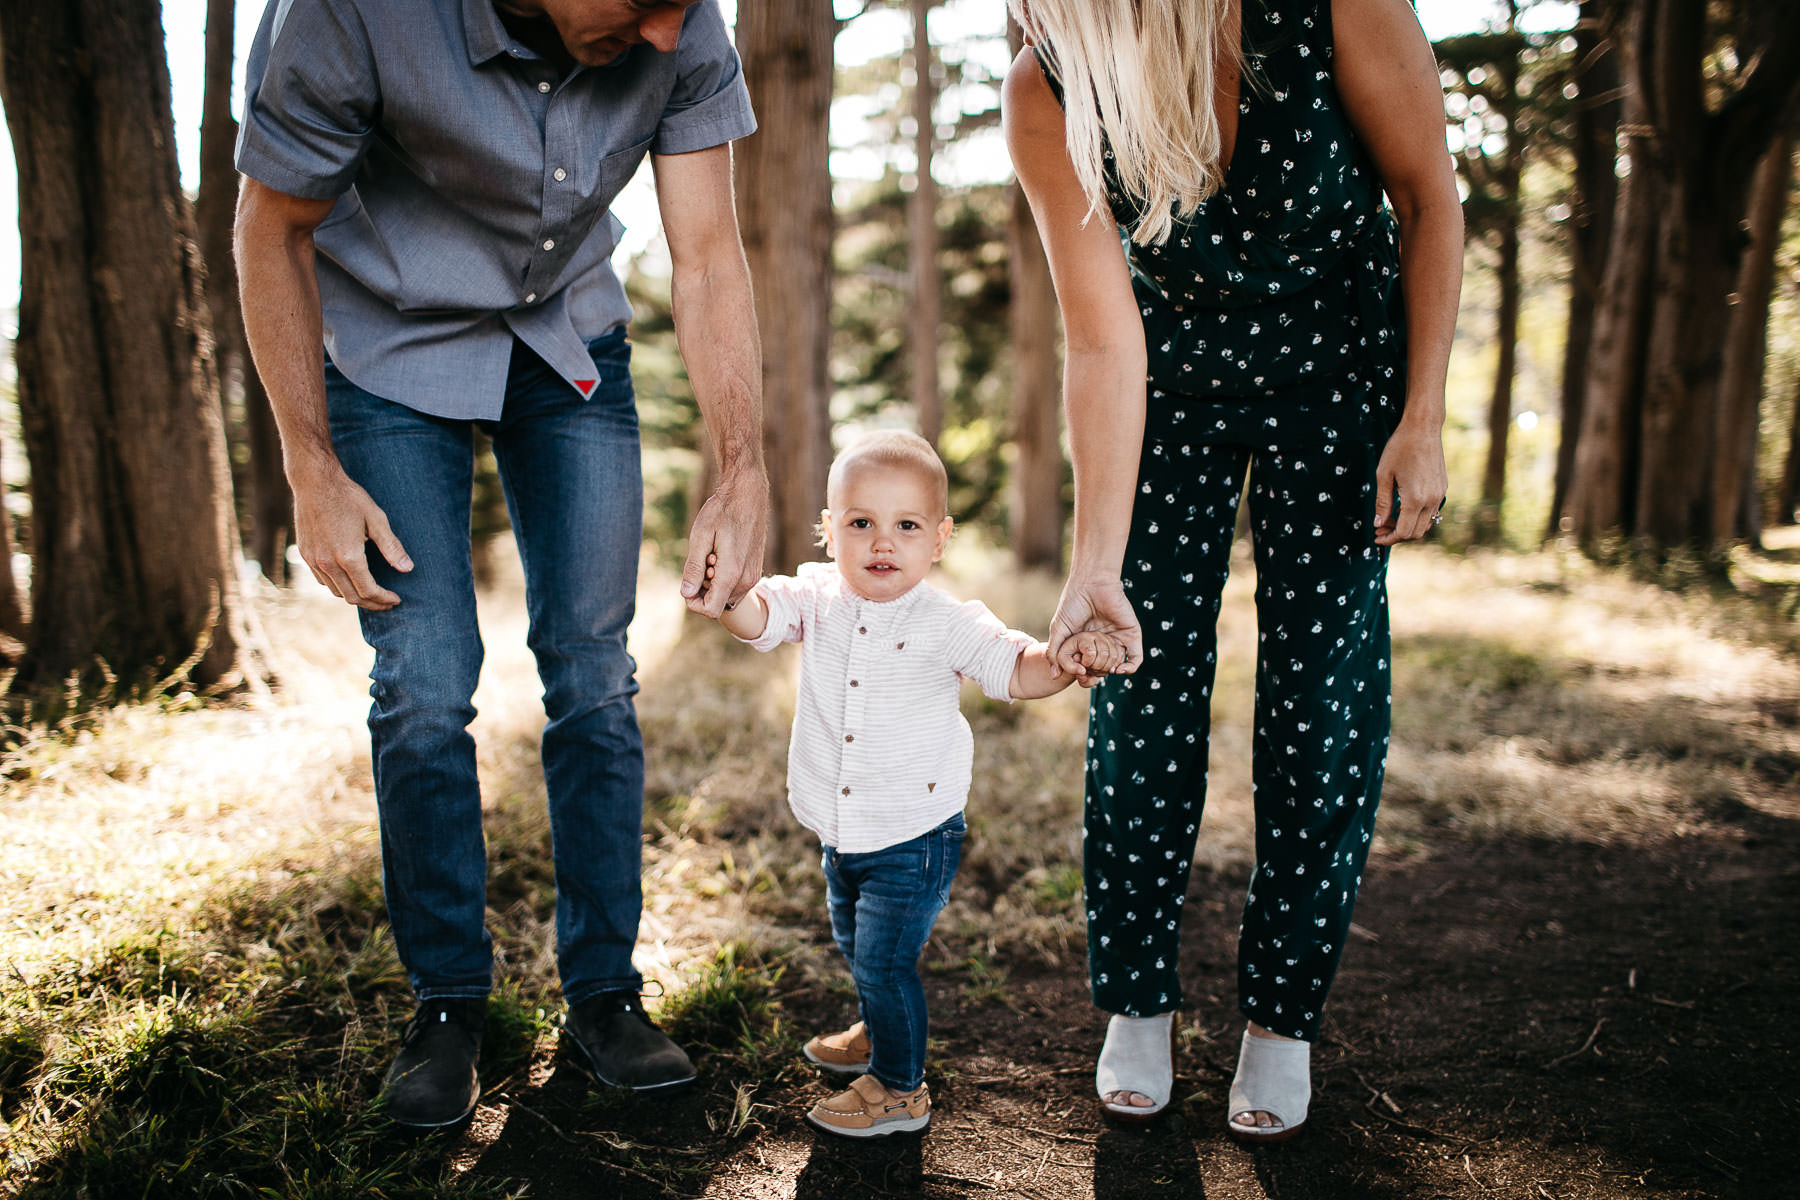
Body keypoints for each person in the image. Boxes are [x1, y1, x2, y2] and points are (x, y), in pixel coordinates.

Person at [232, 0, 768, 1129]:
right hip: (384, 349)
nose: (671, 33)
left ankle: (606, 995)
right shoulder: (353, 16)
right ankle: (447, 1007)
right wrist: (310, 464)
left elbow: (709, 250)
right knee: (424, 683)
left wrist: (740, 466)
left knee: (594, 673)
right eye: (644, 1)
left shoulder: (678, 24)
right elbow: (270, 228)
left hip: (566, 341)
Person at [1002, 0, 1462, 1142]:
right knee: (1140, 681)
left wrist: (1424, 415)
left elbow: (1427, 200)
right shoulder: (1046, 85)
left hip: (1340, 373)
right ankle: (1139, 1004)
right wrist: (1092, 564)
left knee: (1318, 700)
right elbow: (1103, 339)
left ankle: (1281, 1019)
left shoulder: (1331, 9)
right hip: (1166, 381)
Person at [708, 430, 1125, 1138]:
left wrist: (1065, 661)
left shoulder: (947, 622)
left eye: (906, 525)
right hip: (840, 829)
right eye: (861, 522)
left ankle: (901, 1088)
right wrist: (723, 591)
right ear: (829, 530)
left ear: (939, 539)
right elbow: (759, 616)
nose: (882, 541)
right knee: (853, 941)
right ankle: (880, 1027)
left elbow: (1015, 669)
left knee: (885, 961)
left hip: (914, 836)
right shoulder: (815, 596)